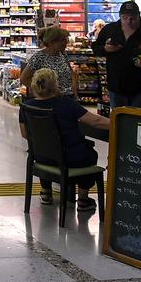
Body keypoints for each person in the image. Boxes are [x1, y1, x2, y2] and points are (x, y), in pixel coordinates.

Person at [23, 68, 109, 213]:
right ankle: (83, 199)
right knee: (90, 154)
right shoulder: (66, 104)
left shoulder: (27, 106)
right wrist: (118, 121)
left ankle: (46, 192)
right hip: (67, 159)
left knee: (47, 149)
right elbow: (94, 121)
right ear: (55, 85)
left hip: (41, 157)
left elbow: (25, 134)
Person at [92, 1, 141, 110]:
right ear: (120, 16)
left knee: (140, 122)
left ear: (139, 15)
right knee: (119, 121)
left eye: (133, 17)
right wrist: (105, 49)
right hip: (117, 86)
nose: (129, 21)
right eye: (125, 17)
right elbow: (96, 48)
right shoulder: (110, 29)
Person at [19, 26, 77, 97]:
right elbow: (24, 78)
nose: (66, 43)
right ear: (51, 42)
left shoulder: (62, 53)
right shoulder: (38, 57)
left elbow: (70, 71)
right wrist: (43, 91)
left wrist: (74, 88)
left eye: (66, 40)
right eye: (62, 40)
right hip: (51, 100)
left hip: (68, 97)